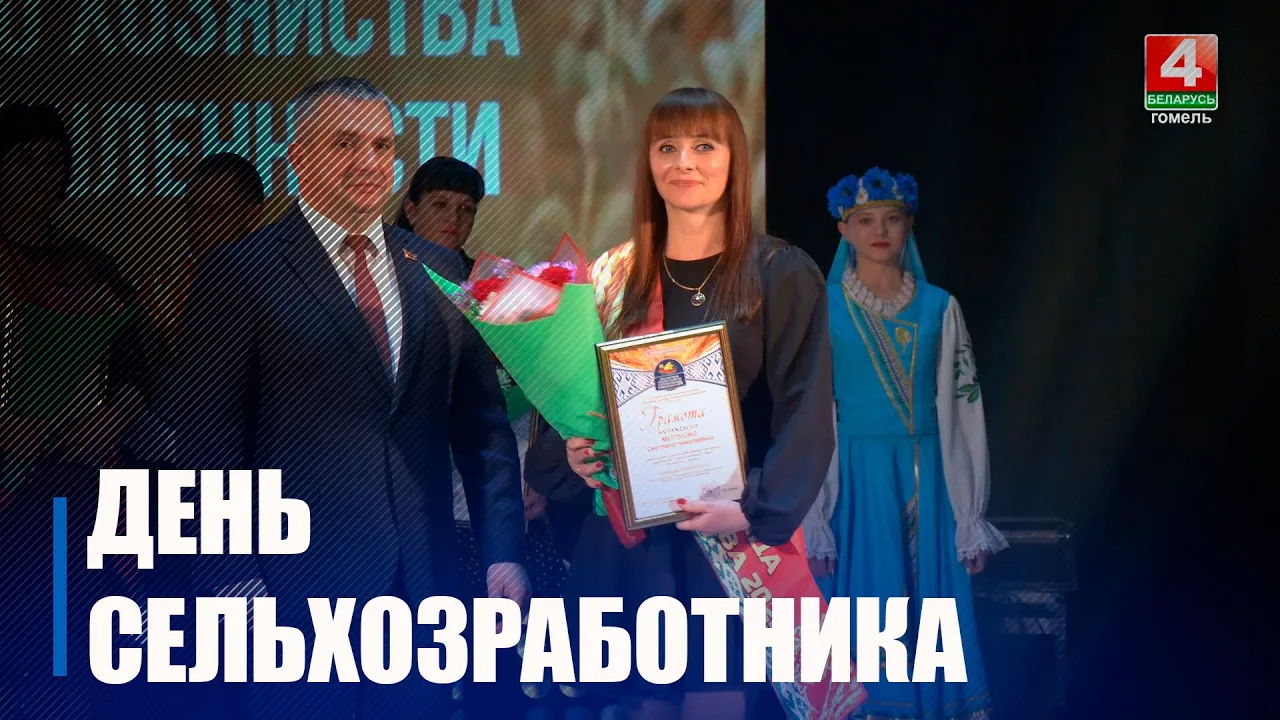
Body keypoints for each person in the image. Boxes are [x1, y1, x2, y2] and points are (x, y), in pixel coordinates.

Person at [164, 77, 528, 719]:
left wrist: (503, 551)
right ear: (298, 157)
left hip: (422, 591)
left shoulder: (440, 269)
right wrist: (230, 576)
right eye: (345, 144)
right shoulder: (240, 271)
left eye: (382, 146)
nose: (368, 161)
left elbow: (482, 427)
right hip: (286, 593)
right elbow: (208, 444)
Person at [525, 87, 834, 720]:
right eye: (667, 147)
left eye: (704, 145)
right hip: (628, 539)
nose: (684, 162)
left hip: (729, 535)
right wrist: (575, 455)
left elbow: (807, 411)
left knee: (714, 698)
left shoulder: (779, 271)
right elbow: (578, 401)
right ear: (648, 162)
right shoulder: (614, 275)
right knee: (633, 705)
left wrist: (751, 508)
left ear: (734, 158)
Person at [812, 168, 1009, 720]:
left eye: (892, 219)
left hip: (930, 473)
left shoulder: (940, 307)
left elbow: (963, 407)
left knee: (933, 608)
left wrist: (969, 514)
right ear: (844, 230)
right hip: (857, 477)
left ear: (909, 226)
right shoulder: (822, 308)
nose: (880, 231)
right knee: (869, 604)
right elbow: (810, 413)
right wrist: (817, 510)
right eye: (865, 220)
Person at [0, 102, 151, 718]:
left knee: (70, 655)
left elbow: (139, 368)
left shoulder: (90, 266)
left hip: (74, 485)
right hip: (8, 480)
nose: (40, 175)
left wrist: (110, 419)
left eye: (53, 162)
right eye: (24, 160)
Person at [142, 152, 265, 380]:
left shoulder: (281, 288)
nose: (197, 225)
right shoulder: (162, 290)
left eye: (213, 214)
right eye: (191, 212)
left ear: (251, 216)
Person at [395, 155, 484, 275]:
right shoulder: (385, 268)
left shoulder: (482, 278)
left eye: (465, 208)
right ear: (411, 211)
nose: (454, 218)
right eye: (440, 205)